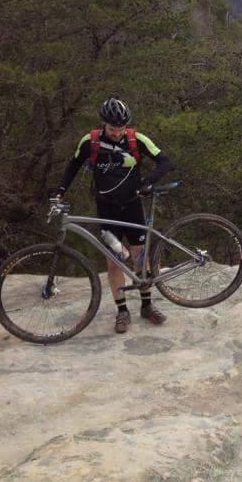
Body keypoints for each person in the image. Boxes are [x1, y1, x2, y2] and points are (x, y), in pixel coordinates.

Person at [53, 97, 175, 333]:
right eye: (112, 129)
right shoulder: (90, 141)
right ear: (103, 125)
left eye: (120, 129)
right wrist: (60, 192)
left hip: (132, 207)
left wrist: (148, 182)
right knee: (114, 262)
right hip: (106, 210)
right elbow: (73, 165)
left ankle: (147, 306)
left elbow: (166, 163)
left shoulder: (136, 139)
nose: (117, 133)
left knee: (141, 258)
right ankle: (122, 311)